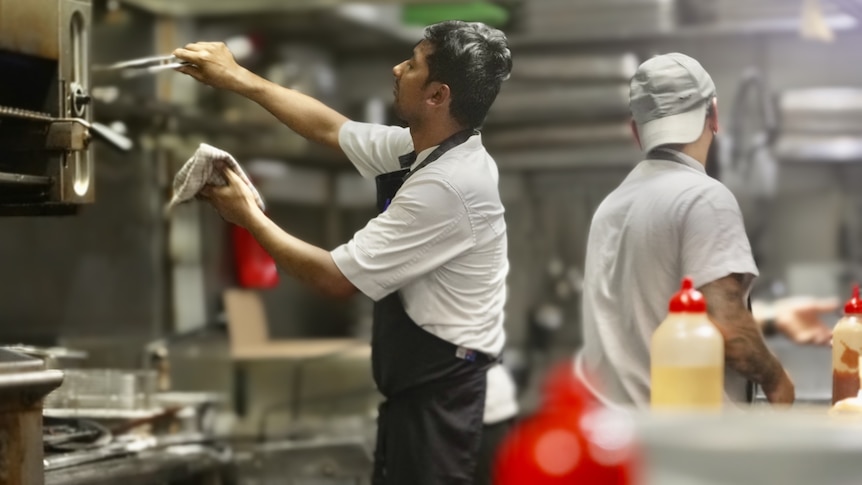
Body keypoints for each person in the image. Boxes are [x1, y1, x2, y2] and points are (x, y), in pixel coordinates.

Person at [173, 20, 513, 485]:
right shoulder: (421, 152)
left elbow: (334, 277)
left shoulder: (449, 183)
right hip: (424, 392)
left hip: (448, 404)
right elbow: (330, 128)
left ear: (438, 95)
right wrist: (237, 78)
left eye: (411, 65)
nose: (397, 69)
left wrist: (248, 215)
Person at [578, 52, 795, 407]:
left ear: (636, 131)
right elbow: (729, 331)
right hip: (689, 442)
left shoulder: (611, 207)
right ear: (714, 114)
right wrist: (778, 381)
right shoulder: (704, 198)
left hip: (623, 438)